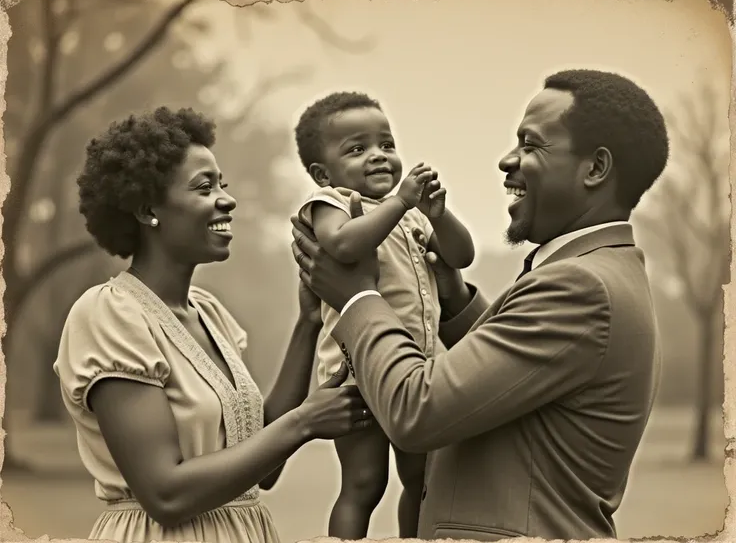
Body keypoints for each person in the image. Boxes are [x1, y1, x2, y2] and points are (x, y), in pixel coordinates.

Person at [290, 69, 669, 541]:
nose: (507, 160)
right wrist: (453, 297)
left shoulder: (580, 286)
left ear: (594, 169)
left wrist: (356, 298)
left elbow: (417, 410)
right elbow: (508, 375)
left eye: (531, 145)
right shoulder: (597, 271)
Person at [53, 106, 373, 543]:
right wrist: (304, 422)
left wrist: (308, 323)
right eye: (205, 187)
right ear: (149, 209)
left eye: (222, 183)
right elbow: (165, 494)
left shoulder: (209, 313)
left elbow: (262, 468)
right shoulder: (110, 315)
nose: (228, 198)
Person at [292, 91, 475, 539]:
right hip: (355, 375)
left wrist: (439, 213)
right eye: (357, 149)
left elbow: (461, 255)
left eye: (386, 145)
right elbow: (343, 246)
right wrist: (400, 203)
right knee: (363, 483)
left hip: (417, 372)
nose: (378, 156)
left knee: (422, 481)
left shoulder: (413, 217)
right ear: (323, 172)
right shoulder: (330, 203)